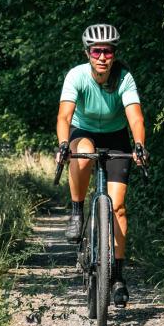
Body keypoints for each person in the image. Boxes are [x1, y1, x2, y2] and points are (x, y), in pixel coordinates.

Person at [55, 23, 147, 307]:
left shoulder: (124, 77)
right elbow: (64, 117)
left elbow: (135, 117)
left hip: (116, 136)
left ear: (114, 53)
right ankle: (76, 212)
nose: (102, 57)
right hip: (83, 133)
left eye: (107, 51)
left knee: (118, 207)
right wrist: (62, 144)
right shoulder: (76, 76)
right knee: (81, 153)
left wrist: (139, 145)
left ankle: (117, 276)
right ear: (88, 53)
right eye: (97, 51)